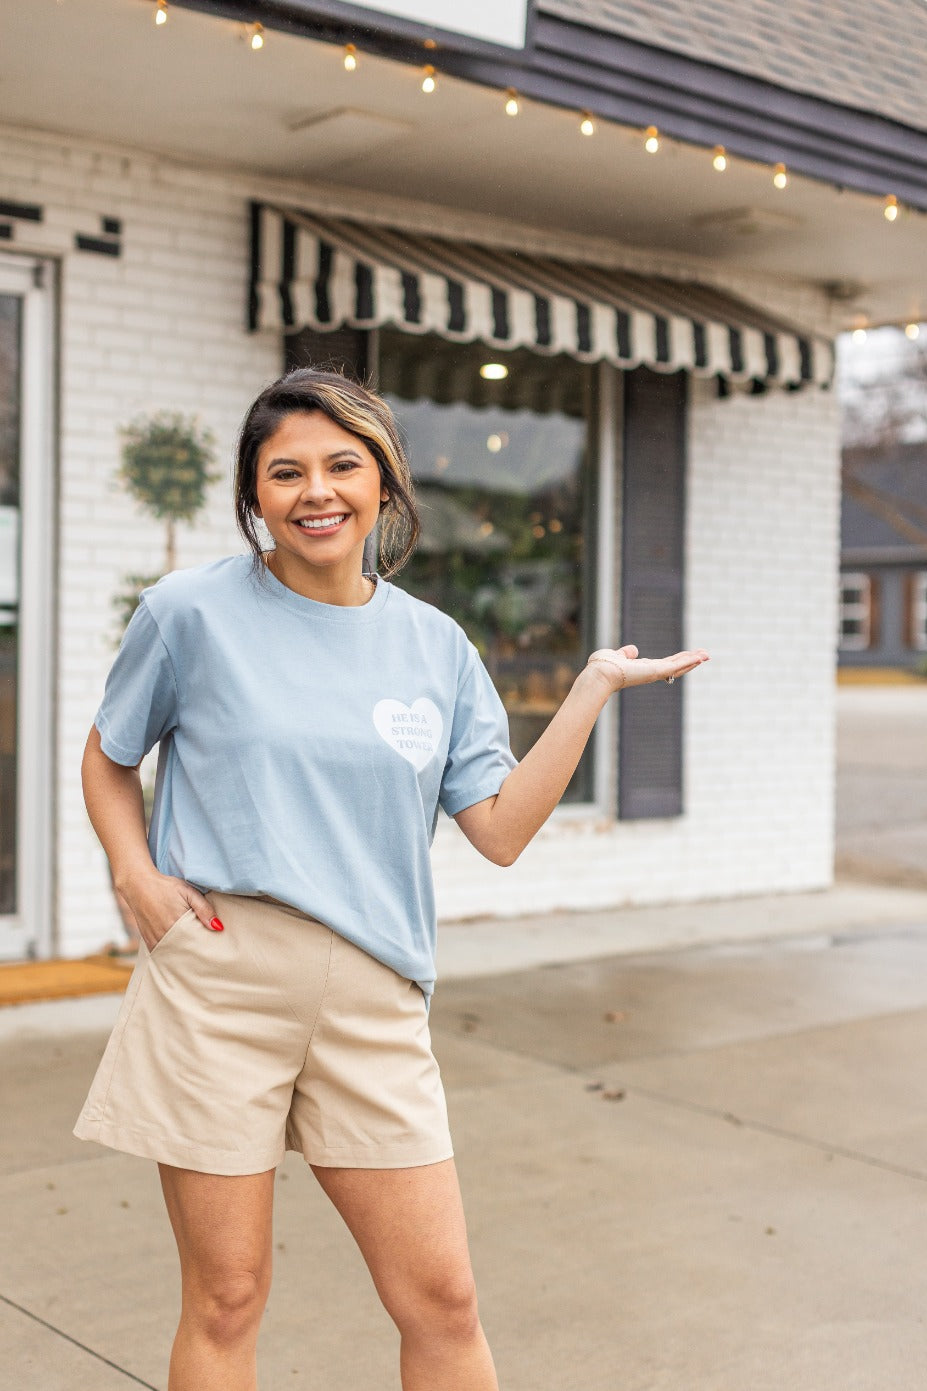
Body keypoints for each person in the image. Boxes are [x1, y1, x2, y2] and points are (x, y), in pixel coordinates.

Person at [74, 367, 708, 1391]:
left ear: (383, 483)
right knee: (227, 1298)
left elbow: (498, 830)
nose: (314, 490)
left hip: (374, 994)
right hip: (221, 981)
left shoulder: (436, 647)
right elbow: (108, 756)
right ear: (254, 494)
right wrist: (135, 876)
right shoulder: (188, 613)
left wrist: (590, 690)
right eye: (285, 471)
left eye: (341, 464)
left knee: (443, 1300)